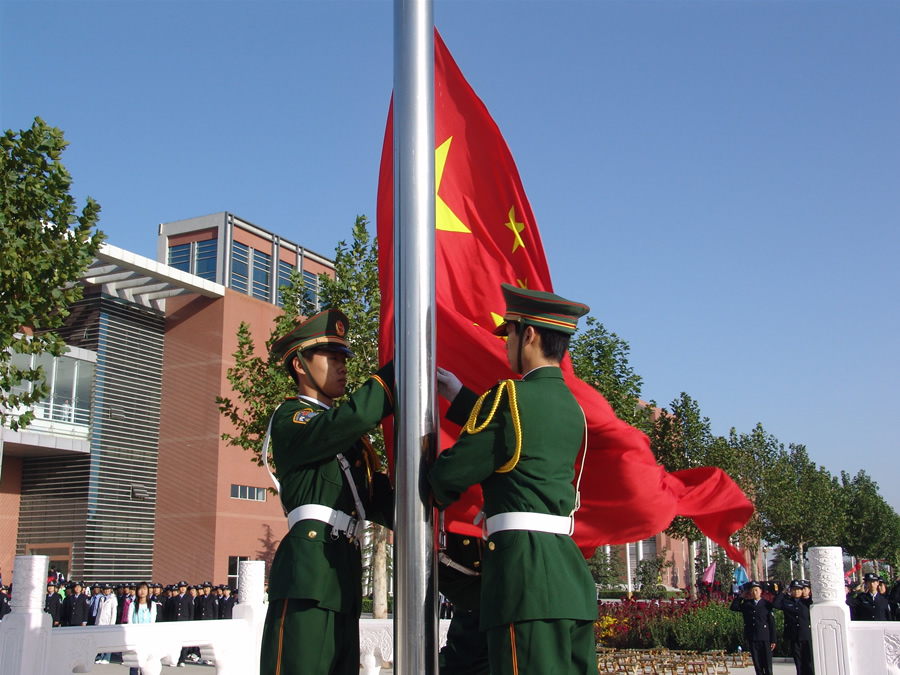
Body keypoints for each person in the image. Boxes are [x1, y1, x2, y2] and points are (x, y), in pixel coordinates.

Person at [428, 284, 596, 675]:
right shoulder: (573, 408)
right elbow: (524, 445)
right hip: (570, 582)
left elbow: (450, 474)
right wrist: (460, 396)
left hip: (525, 581)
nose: (506, 344)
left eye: (510, 334)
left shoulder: (509, 396)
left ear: (530, 334)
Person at [259, 309, 395, 675]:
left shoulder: (353, 444)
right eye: (331, 358)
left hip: (344, 574)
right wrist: (394, 376)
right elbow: (345, 421)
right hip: (309, 572)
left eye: (344, 358)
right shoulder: (293, 419)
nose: (342, 366)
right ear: (301, 365)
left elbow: (384, 503)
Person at [730, 581, 777, 675]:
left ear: (760, 591)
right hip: (753, 637)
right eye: (752, 590)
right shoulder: (747, 604)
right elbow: (733, 607)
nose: (754, 592)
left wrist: (773, 640)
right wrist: (741, 596)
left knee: (767, 664)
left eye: (756, 590)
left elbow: (771, 623)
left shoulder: (766, 604)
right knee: (757, 664)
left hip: (765, 637)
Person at [773, 580, 813, 675]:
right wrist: (783, 591)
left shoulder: (807, 601)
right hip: (794, 635)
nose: (796, 592)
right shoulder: (787, 601)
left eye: (798, 590)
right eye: (794, 590)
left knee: (809, 661)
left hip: (806, 636)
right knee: (798, 662)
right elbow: (775, 604)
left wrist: (807, 594)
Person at [128, 582, 158, 675]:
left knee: (145, 663)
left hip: (147, 637)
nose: (142, 591)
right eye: (140, 589)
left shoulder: (152, 605)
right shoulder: (133, 605)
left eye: (144, 589)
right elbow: (130, 620)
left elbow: (152, 621)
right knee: (134, 662)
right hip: (135, 636)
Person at [95, 584, 118, 664]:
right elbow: (99, 612)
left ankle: (107, 657)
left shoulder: (113, 599)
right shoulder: (102, 598)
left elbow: (114, 612)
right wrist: (97, 622)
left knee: (108, 641)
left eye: (108, 589)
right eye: (105, 589)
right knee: (101, 640)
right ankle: (101, 656)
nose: (107, 590)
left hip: (108, 622)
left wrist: (112, 624)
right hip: (101, 622)